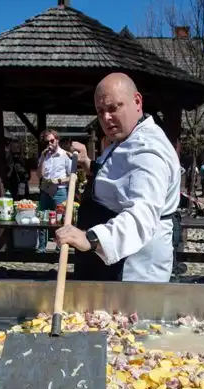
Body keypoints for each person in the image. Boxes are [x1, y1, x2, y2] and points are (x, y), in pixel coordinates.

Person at [56, 73, 179, 283]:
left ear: (137, 102)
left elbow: (142, 214)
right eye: (100, 111)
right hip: (109, 258)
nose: (105, 118)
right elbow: (118, 179)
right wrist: (89, 164)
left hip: (131, 262)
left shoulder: (148, 150)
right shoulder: (125, 137)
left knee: (121, 315)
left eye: (114, 108)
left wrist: (91, 239)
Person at [37, 130, 74, 253]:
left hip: (59, 191)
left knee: (60, 220)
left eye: (52, 141)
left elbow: (73, 176)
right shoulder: (44, 156)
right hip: (45, 190)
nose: (50, 144)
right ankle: (42, 248)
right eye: (47, 142)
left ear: (57, 140)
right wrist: (42, 158)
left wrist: (58, 180)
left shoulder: (65, 155)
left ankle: (60, 248)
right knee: (42, 220)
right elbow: (39, 175)